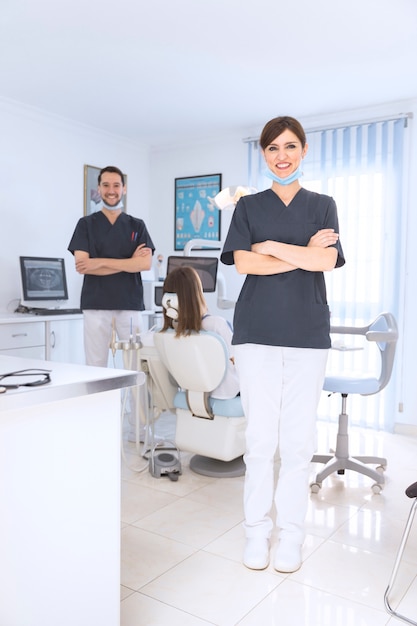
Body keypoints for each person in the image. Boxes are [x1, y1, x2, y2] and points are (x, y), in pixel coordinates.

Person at [220, 116, 345, 573]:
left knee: (296, 442)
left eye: (290, 146)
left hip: (308, 335)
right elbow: (242, 266)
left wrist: (270, 247)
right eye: (273, 148)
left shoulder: (324, 204)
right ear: (264, 155)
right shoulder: (248, 206)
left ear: (304, 150)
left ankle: (291, 536)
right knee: (258, 441)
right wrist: (300, 253)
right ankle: (257, 532)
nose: (282, 155)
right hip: (255, 334)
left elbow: (327, 261)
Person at [68, 166, 155, 436]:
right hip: (96, 305)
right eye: (106, 185)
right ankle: (97, 427)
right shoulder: (86, 224)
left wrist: (100, 262)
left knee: (135, 367)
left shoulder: (136, 225)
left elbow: (146, 263)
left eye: (116, 185)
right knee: (95, 367)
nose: (111, 190)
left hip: (129, 305)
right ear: (99, 189)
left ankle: (139, 429)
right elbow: (82, 265)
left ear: (124, 188)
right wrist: (128, 263)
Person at [160, 266, 239, 400]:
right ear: (197, 294)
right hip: (226, 394)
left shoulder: (168, 333)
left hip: (193, 393)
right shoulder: (216, 325)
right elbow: (238, 360)